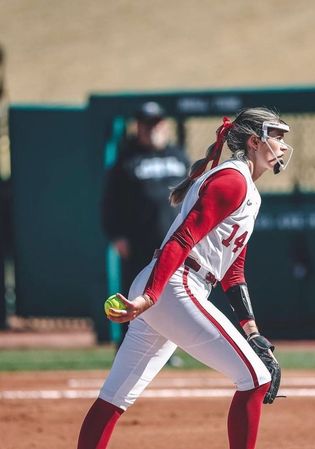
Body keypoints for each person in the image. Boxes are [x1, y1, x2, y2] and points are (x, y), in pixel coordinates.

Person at [78, 107, 294, 449]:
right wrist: (150, 296)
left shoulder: (244, 186)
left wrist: (251, 330)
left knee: (114, 397)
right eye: (276, 137)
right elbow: (181, 240)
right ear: (254, 142)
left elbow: (233, 270)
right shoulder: (232, 180)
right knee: (256, 379)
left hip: (173, 285)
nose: (282, 146)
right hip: (175, 284)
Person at [102, 101, 189, 346]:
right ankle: (128, 346)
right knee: (136, 294)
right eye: (145, 123)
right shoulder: (127, 160)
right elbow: (110, 201)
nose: (150, 128)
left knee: (173, 297)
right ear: (137, 126)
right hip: (139, 242)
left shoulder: (178, 156)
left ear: (164, 125)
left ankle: (167, 348)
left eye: (155, 122)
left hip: (173, 241)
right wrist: (116, 234)